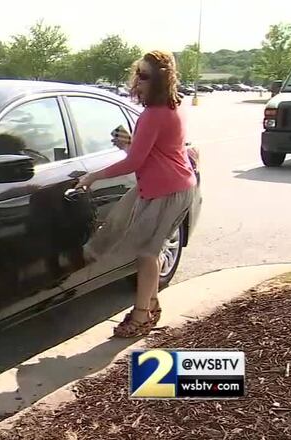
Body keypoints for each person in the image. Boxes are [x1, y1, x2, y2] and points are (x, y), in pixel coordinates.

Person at [75, 50, 198, 338]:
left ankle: (142, 314)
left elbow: (134, 163)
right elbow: (158, 151)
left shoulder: (154, 115)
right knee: (129, 238)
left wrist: (92, 177)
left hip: (167, 191)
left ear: (159, 80)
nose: (137, 81)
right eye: (137, 74)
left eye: (144, 76)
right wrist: (131, 144)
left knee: (146, 252)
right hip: (163, 186)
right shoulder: (171, 107)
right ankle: (150, 304)